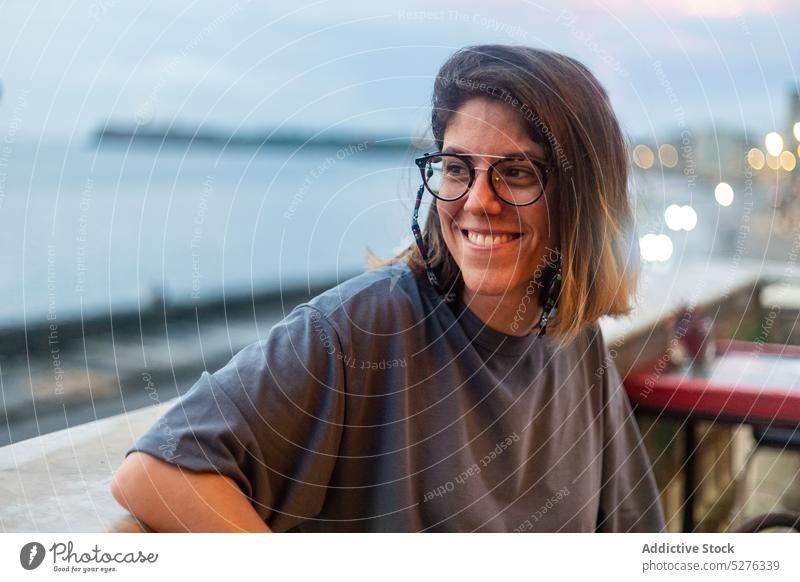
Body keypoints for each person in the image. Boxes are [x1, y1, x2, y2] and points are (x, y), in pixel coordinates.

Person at [111, 44, 666, 533]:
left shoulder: (573, 338)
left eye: (517, 172)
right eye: (456, 167)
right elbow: (154, 474)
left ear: (583, 197)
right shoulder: (361, 329)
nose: (477, 201)